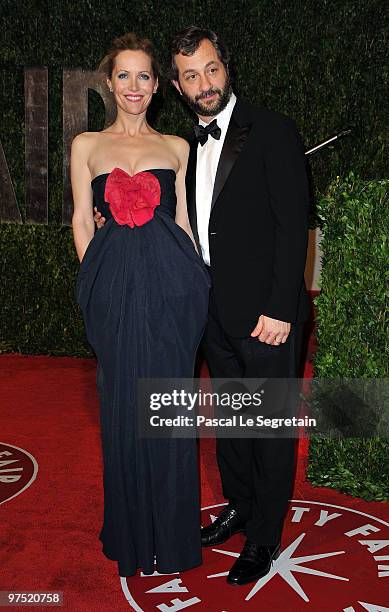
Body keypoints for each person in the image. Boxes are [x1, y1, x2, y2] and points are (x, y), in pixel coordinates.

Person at [169, 26, 310, 586]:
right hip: (212, 314)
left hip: (265, 317)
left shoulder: (273, 130)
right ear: (177, 87)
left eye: (210, 70)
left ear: (226, 69)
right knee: (231, 423)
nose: (203, 84)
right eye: (190, 76)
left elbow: (292, 226)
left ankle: (265, 534)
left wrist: (280, 308)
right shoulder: (183, 147)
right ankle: (240, 505)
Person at [71, 32, 210, 578]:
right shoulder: (87, 145)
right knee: (122, 404)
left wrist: (195, 278)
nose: (134, 86)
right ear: (110, 82)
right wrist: (93, 283)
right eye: (123, 76)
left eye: (145, 76)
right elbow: (83, 221)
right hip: (113, 288)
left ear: (157, 87)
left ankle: (172, 534)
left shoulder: (177, 146)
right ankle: (132, 530)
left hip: (172, 286)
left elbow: (181, 223)